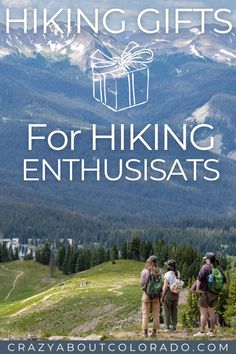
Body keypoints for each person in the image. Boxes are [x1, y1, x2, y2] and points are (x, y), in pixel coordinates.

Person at [193, 252, 227, 337]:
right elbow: (224, 280)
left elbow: (199, 279)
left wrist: (197, 290)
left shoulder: (205, 267)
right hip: (215, 293)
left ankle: (202, 332)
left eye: (206, 259)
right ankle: (212, 332)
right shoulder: (218, 268)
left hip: (204, 293)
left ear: (208, 259)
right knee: (212, 312)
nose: (205, 260)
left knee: (203, 313)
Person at [140, 255, 162, 338]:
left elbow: (142, 283)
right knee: (156, 314)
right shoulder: (159, 272)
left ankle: (145, 333)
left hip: (147, 295)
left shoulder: (145, 271)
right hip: (156, 296)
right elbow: (161, 284)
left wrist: (145, 288)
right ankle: (154, 332)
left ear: (150, 262)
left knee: (145, 314)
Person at [161, 259, 180, 331]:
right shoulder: (178, 273)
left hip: (168, 293)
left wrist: (162, 296)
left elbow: (165, 286)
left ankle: (167, 326)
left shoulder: (167, 274)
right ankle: (174, 326)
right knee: (174, 309)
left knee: (167, 310)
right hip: (176, 293)